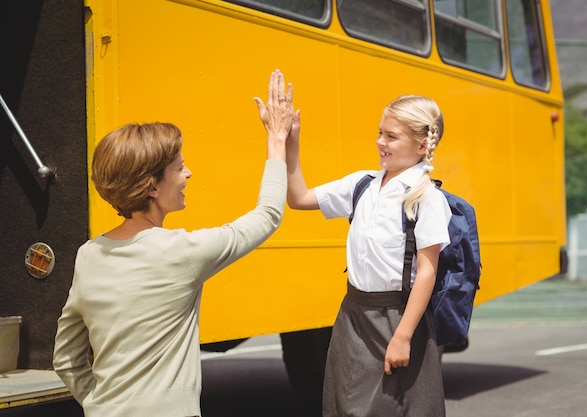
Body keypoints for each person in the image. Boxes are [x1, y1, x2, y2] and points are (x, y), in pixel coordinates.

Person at [52, 70, 294, 417]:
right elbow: (268, 214)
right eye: (179, 168)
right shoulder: (183, 253)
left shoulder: (89, 255)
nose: (188, 174)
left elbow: (65, 357)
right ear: (152, 187)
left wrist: (97, 403)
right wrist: (277, 137)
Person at [282, 95, 451, 416]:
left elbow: (427, 273)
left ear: (420, 145)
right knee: (344, 405)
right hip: (353, 316)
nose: (380, 142)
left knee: (397, 409)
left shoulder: (427, 199)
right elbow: (299, 198)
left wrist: (403, 337)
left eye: (391, 136)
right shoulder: (361, 185)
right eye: (380, 133)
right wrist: (291, 143)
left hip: (398, 320)